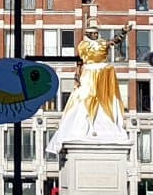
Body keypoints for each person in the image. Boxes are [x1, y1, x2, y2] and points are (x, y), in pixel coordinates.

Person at [47, 18, 133, 156]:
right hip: (89, 73)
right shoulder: (82, 45)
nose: (97, 35)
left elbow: (114, 41)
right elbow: (80, 62)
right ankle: (84, 125)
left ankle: (102, 126)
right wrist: (77, 76)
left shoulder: (102, 43)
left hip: (103, 74)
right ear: (89, 33)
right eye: (94, 33)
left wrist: (123, 32)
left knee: (104, 99)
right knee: (85, 97)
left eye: (97, 33)